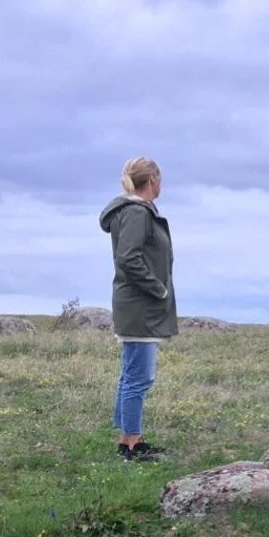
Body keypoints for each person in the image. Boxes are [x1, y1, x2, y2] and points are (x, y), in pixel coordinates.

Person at [99, 157, 177, 462]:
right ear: (154, 180)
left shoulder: (134, 211)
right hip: (140, 306)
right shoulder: (136, 213)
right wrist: (158, 289)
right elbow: (129, 258)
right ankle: (130, 445)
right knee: (139, 376)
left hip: (136, 305)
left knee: (132, 372)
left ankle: (130, 438)